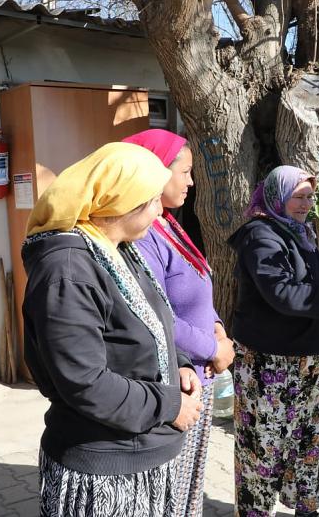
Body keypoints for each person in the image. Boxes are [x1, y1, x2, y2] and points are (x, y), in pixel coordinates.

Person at [22, 142, 203, 517]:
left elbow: (149, 327)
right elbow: (85, 383)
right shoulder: (67, 271)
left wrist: (180, 364)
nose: (160, 211)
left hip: (141, 454)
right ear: (122, 203)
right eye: (152, 201)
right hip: (106, 466)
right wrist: (170, 404)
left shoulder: (117, 250)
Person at [227, 165, 319, 517]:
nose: (306, 204)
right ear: (277, 196)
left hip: (309, 365)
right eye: (298, 196)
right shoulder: (261, 236)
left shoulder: (299, 233)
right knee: (264, 445)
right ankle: (256, 512)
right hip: (271, 367)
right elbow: (285, 294)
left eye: (310, 196)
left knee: (307, 443)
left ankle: (307, 508)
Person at [125, 129, 235, 516]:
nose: (190, 182)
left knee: (190, 487)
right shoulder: (143, 236)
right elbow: (157, 316)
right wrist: (213, 348)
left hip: (198, 374)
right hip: (177, 380)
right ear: (155, 172)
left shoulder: (168, 224)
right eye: (184, 172)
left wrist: (217, 326)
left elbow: (197, 283)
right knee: (172, 493)